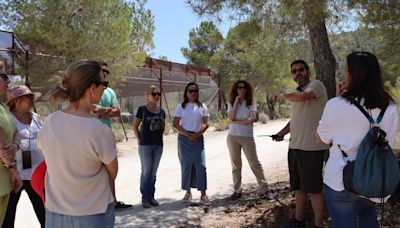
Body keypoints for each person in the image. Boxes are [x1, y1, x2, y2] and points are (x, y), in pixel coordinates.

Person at [316, 52, 398, 228]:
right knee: (368, 215)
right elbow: (389, 141)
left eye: (346, 69)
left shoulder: (336, 105)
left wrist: (337, 98)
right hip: (373, 177)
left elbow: (322, 138)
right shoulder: (390, 106)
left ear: (353, 73)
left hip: (342, 178)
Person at [38, 60, 118, 227]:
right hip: (93, 214)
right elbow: (112, 172)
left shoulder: (49, 123)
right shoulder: (99, 130)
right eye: (104, 83)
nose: (105, 87)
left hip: (55, 214)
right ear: (92, 88)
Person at [273, 60, 328, 228]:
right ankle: (299, 220)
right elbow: (295, 120)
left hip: (312, 148)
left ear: (307, 71)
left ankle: (318, 224)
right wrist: (281, 133)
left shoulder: (316, 85)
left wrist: (282, 96)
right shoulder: (297, 93)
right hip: (295, 147)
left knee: (315, 189)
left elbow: (305, 97)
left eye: (301, 70)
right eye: (294, 71)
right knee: (299, 188)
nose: (298, 73)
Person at [91, 61, 132, 211]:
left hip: (106, 137)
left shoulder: (110, 92)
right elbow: (89, 110)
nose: (104, 74)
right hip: (90, 138)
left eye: (106, 72)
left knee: (110, 171)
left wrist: (100, 110)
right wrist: (107, 111)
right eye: (102, 71)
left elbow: (117, 112)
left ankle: (112, 202)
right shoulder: (89, 89)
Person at [2, 86, 45, 227]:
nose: (32, 100)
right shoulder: (8, 118)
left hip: (37, 174)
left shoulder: (37, 117)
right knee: (8, 215)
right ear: (17, 100)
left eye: (32, 97)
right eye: (28, 97)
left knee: (44, 213)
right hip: (15, 175)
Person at [226, 80, 269, 200]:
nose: (242, 90)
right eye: (239, 88)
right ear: (236, 89)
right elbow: (231, 117)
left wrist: (235, 122)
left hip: (247, 137)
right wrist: (235, 102)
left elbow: (252, 119)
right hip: (233, 137)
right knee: (236, 165)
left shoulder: (251, 102)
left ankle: (264, 188)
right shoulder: (231, 102)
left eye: (244, 88)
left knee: (254, 163)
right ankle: (237, 190)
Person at [173, 82, 210, 205]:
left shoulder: (203, 106)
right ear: (186, 92)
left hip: (198, 138)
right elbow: (175, 124)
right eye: (190, 91)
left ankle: (203, 194)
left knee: (201, 165)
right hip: (184, 139)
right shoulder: (180, 107)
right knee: (186, 165)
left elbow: (206, 123)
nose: (193, 93)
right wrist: (188, 135)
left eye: (195, 91)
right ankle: (188, 193)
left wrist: (197, 134)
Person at [132, 85, 166, 208]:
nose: (156, 96)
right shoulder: (142, 109)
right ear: (147, 95)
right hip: (145, 145)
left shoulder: (162, 111)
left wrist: (157, 137)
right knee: (146, 171)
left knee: (153, 172)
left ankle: (151, 196)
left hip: (158, 145)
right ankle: (145, 197)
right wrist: (140, 139)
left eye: (158, 94)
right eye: (153, 94)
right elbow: (135, 126)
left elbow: (163, 127)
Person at [0, 61, 22, 225]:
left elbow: (16, 134)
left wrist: (14, 145)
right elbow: (3, 150)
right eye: (4, 77)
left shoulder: (2, 108)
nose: (8, 81)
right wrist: (14, 171)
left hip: (4, 182)